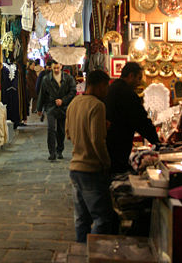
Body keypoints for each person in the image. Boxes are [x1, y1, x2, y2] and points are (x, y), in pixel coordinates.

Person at [66, 70, 113, 242]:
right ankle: (94, 253)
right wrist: (106, 162)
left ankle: (81, 252)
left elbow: (68, 133)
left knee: (82, 219)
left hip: (75, 167)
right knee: (102, 218)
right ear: (100, 86)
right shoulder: (97, 105)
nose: (106, 91)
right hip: (91, 168)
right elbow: (97, 140)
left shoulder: (74, 103)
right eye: (105, 87)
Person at [105, 62, 159, 174]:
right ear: (130, 76)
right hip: (119, 146)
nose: (139, 83)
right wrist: (157, 142)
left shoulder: (111, 88)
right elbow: (141, 121)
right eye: (138, 78)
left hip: (108, 145)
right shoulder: (128, 94)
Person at [37, 60, 76, 160]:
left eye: (58, 68)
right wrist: (39, 108)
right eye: (54, 68)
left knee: (61, 130)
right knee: (51, 129)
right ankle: (52, 152)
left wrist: (63, 100)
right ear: (51, 67)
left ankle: (59, 150)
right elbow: (42, 94)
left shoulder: (68, 78)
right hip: (50, 106)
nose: (56, 70)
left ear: (61, 66)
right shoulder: (46, 79)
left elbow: (73, 91)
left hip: (63, 107)